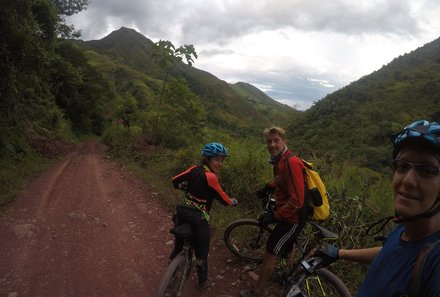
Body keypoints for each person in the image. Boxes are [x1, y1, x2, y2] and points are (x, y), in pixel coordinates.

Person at [319, 120, 440, 297]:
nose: (407, 181)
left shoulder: (436, 259)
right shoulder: (404, 227)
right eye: (403, 166)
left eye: (427, 171)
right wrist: (340, 253)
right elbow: (392, 253)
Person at [240, 126, 307, 297]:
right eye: (269, 141)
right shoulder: (281, 159)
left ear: (284, 141)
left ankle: (258, 291)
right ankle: (287, 273)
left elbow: (297, 201)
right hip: (290, 213)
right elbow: (281, 178)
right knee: (289, 244)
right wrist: (268, 187)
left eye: (276, 140)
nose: (272, 144)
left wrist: (274, 216)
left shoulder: (291, 162)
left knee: (270, 252)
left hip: (293, 217)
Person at [170, 142, 238, 289]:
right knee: (202, 254)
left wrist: (182, 187)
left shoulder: (194, 169)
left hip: (182, 214)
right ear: (207, 159)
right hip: (199, 220)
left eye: (222, 160)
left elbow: (175, 181)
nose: (220, 163)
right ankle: (202, 282)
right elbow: (223, 198)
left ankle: (172, 267)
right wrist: (232, 202)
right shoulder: (211, 177)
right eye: (216, 159)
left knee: (178, 246)